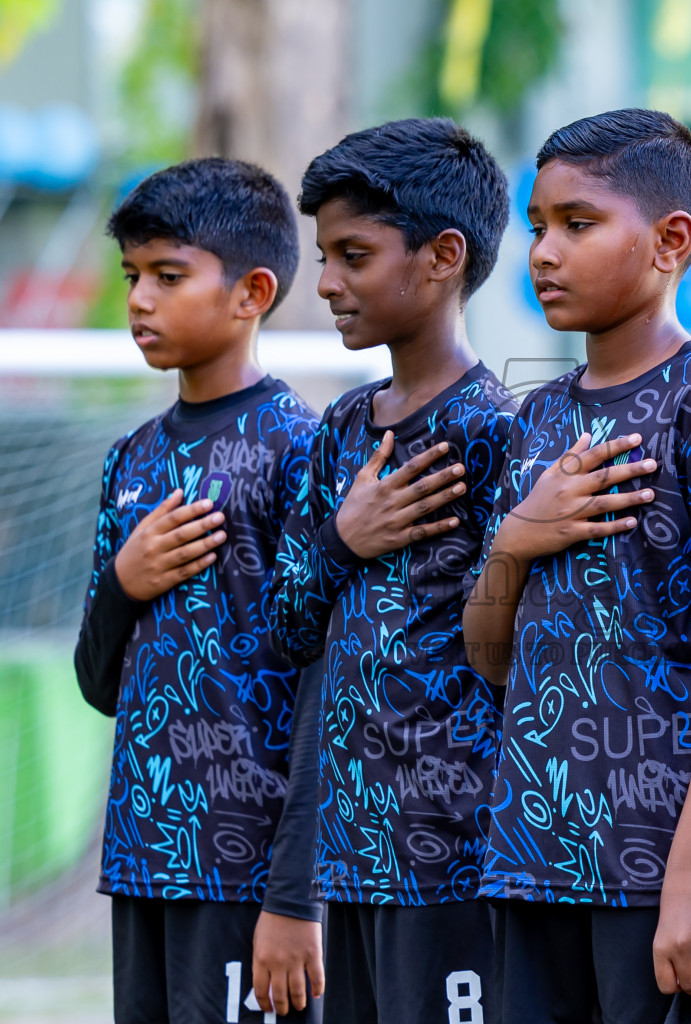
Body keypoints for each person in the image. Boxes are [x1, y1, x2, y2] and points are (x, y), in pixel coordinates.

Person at [461, 108, 691, 1024]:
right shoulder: (538, 420)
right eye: (536, 227)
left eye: (578, 223)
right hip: (534, 859)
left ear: (670, 241)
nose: (544, 253)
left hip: (659, 873)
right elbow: (490, 656)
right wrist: (513, 543)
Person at [262, 118, 515, 1024]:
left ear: (443, 256)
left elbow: (515, 656)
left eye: (353, 255)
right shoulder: (338, 432)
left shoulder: (498, 434)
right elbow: (283, 635)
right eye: (323, 255)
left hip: (459, 861)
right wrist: (342, 540)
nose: (326, 282)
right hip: (349, 861)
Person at [71, 158, 324, 1024]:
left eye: (168, 276)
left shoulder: (304, 449)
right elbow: (98, 682)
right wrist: (123, 582)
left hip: (248, 869)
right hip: (143, 861)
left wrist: (297, 896)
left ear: (252, 292)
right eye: (132, 276)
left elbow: (329, 689)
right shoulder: (130, 459)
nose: (140, 299)